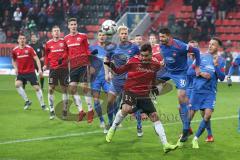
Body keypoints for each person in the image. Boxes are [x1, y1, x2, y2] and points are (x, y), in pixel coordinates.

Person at [105, 43, 177, 153]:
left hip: (144, 94)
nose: (143, 58)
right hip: (130, 90)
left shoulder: (155, 64)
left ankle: (165, 144)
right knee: (126, 109)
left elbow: (153, 75)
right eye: (141, 55)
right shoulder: (133, 60)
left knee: (155, 117)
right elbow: (120, 71)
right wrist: (111, 65)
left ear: (151, 55)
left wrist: (153, 87)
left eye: (146, 56)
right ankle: (113, 128)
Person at [158, 28, 200, 145]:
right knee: (149, 82)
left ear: (168, 36)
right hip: (167, 71)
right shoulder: (161, 46)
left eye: (162, 37)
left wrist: (197, 66)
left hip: (180, 74)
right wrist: (164, 62)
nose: (160, 39)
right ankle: (142, 110)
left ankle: (186, 129)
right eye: (159, 37)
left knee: (181, 97)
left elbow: (196, 51)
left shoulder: (180, 45)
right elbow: (167, 57)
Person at [104, 25, 143, 137]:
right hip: (116, 81)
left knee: (133, 106)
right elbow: (106, 59)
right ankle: (110, 122)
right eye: (122, 33)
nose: (124, 35)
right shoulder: (113, 47)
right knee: (109, 102)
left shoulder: (134, 47)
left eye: (125, 33)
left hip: (129, 81)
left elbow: (140, 60)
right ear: (118, 35)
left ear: (128, 34)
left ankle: (139, 125)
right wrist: (107, 73)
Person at [190, 38, 225, 148]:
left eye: (213, 44)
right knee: (192, 115)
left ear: (218, 47)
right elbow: (190, 71)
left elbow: (222, 77)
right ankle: (184, 134)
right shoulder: (201, 56)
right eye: (209, 44)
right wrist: (201, 73)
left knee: (207, 115)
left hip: (210, 92)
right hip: (197, 90)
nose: (210, 46)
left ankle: (195, 138)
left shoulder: (221, 60)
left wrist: (216, 66)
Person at [62, 18, 94, 123]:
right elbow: (66, 52)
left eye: (75, 24)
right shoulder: (66, 38)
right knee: (72, 89)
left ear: (77, 25)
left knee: (85, 88)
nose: (73, 26)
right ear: (68, 26)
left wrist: (90, 57)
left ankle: (90, 111)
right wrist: (62, 58)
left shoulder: (83, 36)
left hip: (83, 65)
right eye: (71, 24)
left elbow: (87, 49)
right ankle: (81, 111)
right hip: (73, 67)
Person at [11, 34, 46, 110]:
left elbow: (36, 59)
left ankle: (43, 105)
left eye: (23, 38)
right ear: (18, 40)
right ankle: (27, 101)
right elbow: (13, 60)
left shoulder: (29, 49)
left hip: (30, 72)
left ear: (25, 40)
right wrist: (15, 68)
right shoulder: (15, 50)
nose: (22, 40)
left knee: (37, 88)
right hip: (20, 73)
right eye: (20, 39)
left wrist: (39, 69)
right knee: (17, 85)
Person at [43, 25, 69, 120]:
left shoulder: (64, 42)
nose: (56, 32)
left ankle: (65, 110)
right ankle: (52, 110)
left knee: (64, 89)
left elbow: (67, 52)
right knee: (51, 89)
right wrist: (45, 64)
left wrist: (62, 58)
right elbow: (46, 55)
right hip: (53, 69)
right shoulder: (48, 43)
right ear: (52, 33)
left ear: (60, 32)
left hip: (63, 69)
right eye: (54, 31)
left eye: (58, 31)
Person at [89, 30, 110, 133]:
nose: (102, 37)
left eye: (103, 35)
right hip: (95, 79)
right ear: (98, 37)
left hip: (106, 78)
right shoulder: (92, 48)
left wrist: (110, 73)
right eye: (100, 35)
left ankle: (112, 119)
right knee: (96, 101)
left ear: (106, 37)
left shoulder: (109, 49)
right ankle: (102, 121)